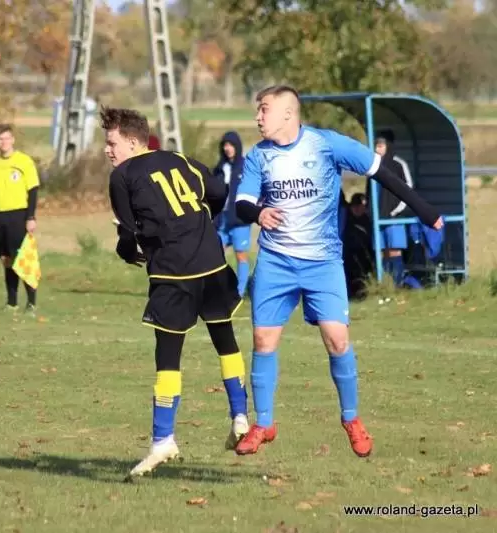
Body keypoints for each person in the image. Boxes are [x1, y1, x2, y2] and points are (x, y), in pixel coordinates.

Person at [233, 85, 443, 458]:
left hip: (323, 263)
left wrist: (425, 211)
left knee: (337, 341)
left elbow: (380, 172)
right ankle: (263, 424)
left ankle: (351, 419)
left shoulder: (326, 144)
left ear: (288, 113)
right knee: (263, 341)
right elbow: (243, 202)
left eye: (264, 109)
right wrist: (258, 213)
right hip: (276, 262)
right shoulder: (258, 156)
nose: (257, 117)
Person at [101, 106, 249, 479]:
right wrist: (202, 220)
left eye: (112, 143)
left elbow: (128, 230)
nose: (107, 150)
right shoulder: (180, 159)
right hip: (212, 263)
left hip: (173, 273)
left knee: (167, 356)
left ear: (132, 141)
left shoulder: (122, 176)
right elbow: (219, 191)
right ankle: (240, 416)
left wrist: (126, 249)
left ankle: (163, 439)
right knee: (226, 340)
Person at [0, 124, 40, 314]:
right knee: (6, 259)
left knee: (21, 258)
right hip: (0, 216)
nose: (4, 142)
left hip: (19, 214)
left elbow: (33, 190)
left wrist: (31, 216)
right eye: (0, 139)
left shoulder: (24, 161)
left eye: (7, 138)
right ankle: (12, 302)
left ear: (13, 140)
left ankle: (31, 302)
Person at [367, 130, 414, 287]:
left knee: (394, 250)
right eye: (376, 146)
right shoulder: (373, 165)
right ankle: (384, 285)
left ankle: (398, 284)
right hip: (377, 216)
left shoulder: (398, 164)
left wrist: (396, 210)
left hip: (394, 217)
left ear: (388, 146)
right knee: (381, 251)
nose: (377, 149)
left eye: (380, 146)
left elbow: (408, 188)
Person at [212, 131, 252, 297]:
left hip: (239, 220)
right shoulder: (219, 168)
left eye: (230, 145)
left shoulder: (246, 167)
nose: (227, 148)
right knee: (214, 255)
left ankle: (239, 292)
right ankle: (218, 289)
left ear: (237, 146)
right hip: (222, 220)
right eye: (225, 145)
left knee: (241, 255)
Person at [342, 193, 374, 300]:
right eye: (356, 206)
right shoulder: (346, 220)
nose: (359, 209)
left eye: (362, 207)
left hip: (365, 256)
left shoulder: (367, 220)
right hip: (349, 255)